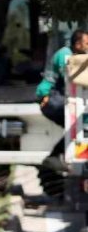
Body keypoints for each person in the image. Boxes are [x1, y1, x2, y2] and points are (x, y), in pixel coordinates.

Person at [36, 30, 88, 168]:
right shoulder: (65, 54)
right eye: (87, 43)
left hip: (57, 99)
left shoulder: (77, 56)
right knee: (79, 125)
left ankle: (55, 158)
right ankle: (55, 157)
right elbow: (72, 78)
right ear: (77, 44)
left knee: (79, 127)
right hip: (50, 99)